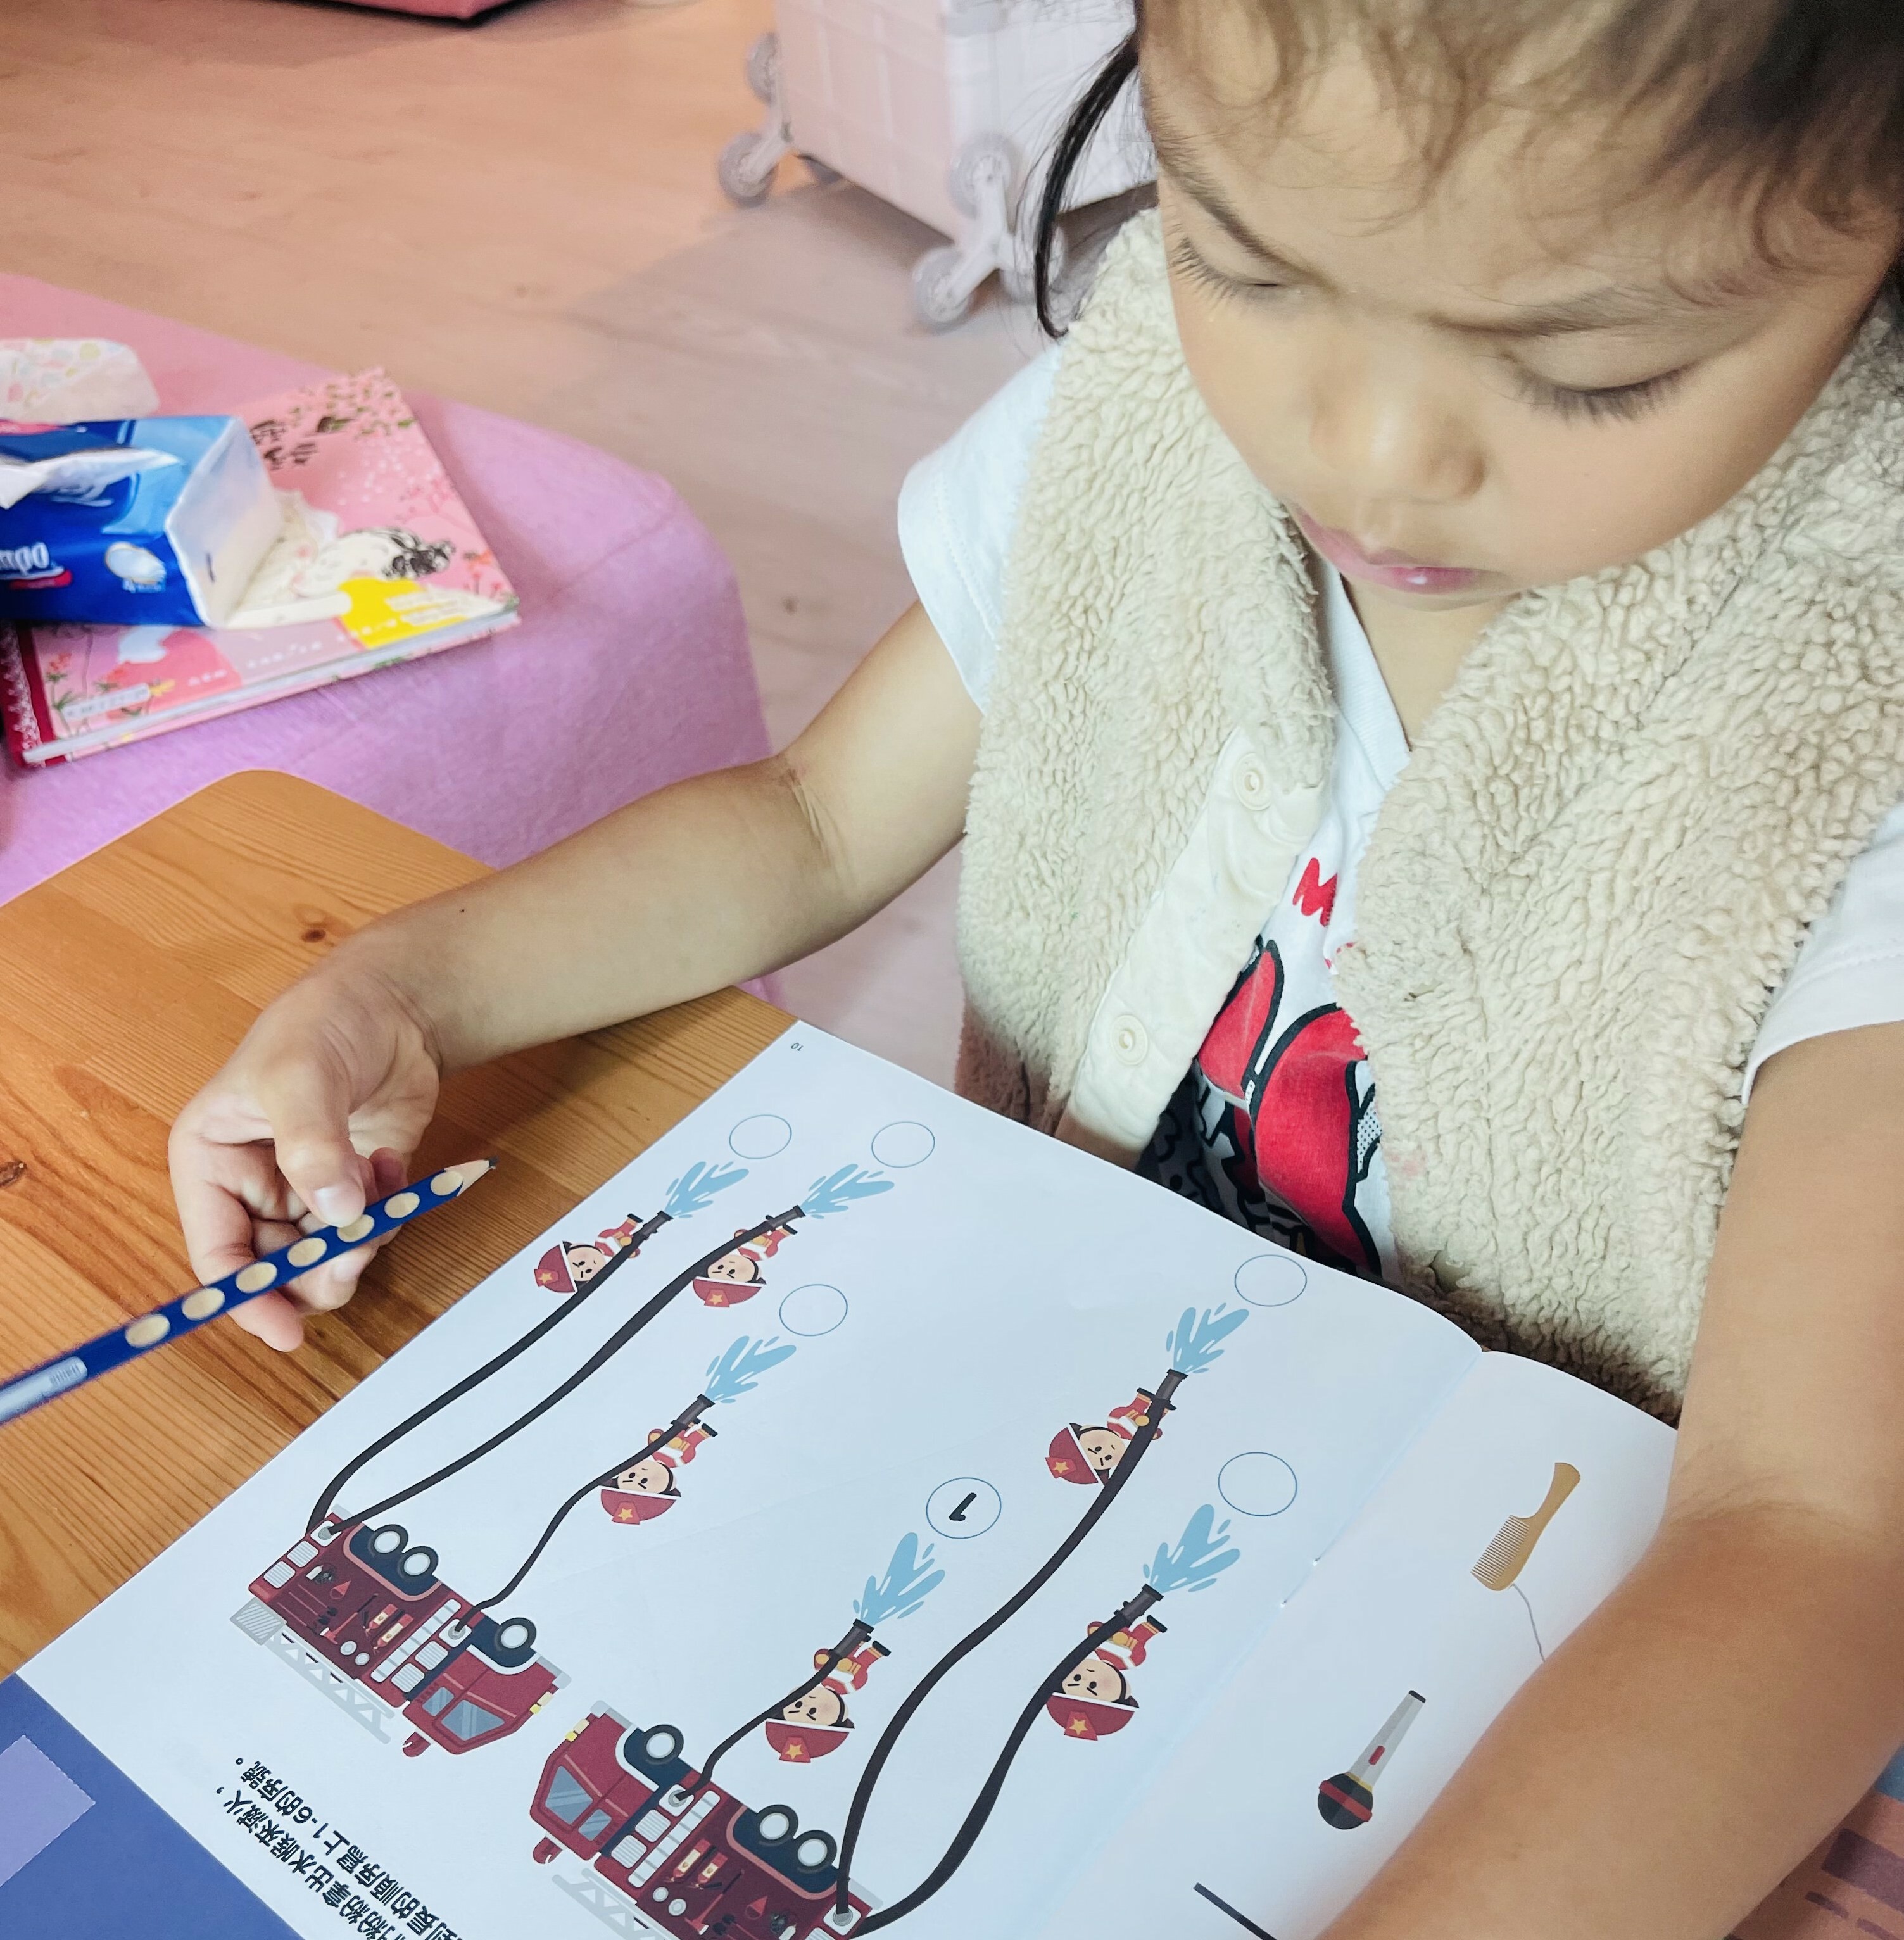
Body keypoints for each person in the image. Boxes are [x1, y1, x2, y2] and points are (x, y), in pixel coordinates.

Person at [169, 3, 1904, 1931]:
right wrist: (400, 993)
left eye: (1591, 372)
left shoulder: (1856, 696)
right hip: (1077, 1460)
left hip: (1545, 1670)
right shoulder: (1140, 421)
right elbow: (813, 823)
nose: (1374, 456)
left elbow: (1812, 1540)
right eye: (1250, 261)